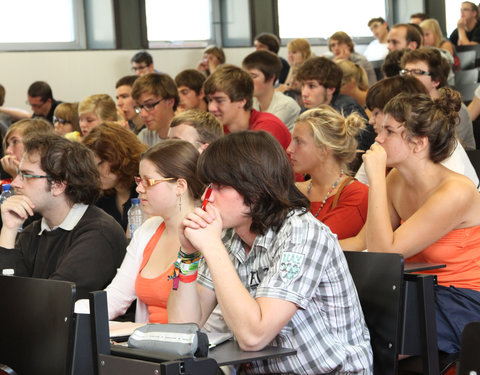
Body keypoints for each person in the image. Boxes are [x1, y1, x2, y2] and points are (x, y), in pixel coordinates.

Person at [167, 130, 372, 374]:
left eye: (219, 186)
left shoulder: (302, 233)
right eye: (207, 186)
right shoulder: (228, 235)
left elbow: (254, 336)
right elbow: (182, 329)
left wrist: (212, 247)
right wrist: (188, 255)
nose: (206, 197)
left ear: (255, 189)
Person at [341, 88, 480, 355]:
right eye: (380, 129)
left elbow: (384, 252)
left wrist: (377, 179)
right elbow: (362, 241)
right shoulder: (397, 180)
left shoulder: (455, 191)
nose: (377, 139)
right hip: (416, 291)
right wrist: (316, 248)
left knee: (372, 338)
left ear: (419, 142)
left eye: (389, 132)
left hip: (464, 299)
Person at [0, 133, 127, 300]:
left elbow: (52, 303)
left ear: (58, 185)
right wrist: (8, 230)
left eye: (27, 175)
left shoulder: (98, 233)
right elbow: (9, 297)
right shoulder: (33, 231)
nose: (16, 183)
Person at [103, 140, 203, 322]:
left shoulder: (208, 235)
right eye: (139, 180)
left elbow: (208, 322)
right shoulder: (147, 230)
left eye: (148, 181)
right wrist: (69, 314)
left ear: (180, 186)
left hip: (193, 346)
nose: (139, 189)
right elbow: (115, 297)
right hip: (146, 346)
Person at [355, 75, 479, 188]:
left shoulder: (450, 175)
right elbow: (360, 188)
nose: (371, 121)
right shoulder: (391, 146)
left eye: (376, 113)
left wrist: (376, 179)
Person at [287, 106, 368, 239]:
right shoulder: (292, 191)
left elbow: (320, 244)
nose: (289, 149)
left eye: (299, 142)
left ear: (324, 149)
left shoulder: (357, 195)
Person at [296, 56, 376, 156]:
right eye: (303, 85)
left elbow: (355, 156)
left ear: (330, 89)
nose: (304, 93)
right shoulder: (305, 111)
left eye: (311, 86)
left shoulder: (347, 110)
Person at [400, 48, 475, 150]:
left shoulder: (455, 109)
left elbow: (446, 153)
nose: (408, 77)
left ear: (436, 80)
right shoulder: (402, 105)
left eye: (416, 72)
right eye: (406, 72)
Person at [203, 64, 291, 150]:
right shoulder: (221, 128)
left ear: (242, 101)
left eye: (219, 100)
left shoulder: (268, 127)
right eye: (210, 100)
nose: (211, 108)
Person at [82, 122, 148, 232]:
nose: (93, 173)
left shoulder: (145, 188)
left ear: (119, 157)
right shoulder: (101, 196)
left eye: (99, 164)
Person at [243, 50, 300, 132]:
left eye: (253, 76)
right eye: (246, 76)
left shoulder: (286, 105)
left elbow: (260, 138)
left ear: (271, 78)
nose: (247, 81)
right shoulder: (251, 102)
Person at [131, 73, 178, 147]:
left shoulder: (186, 136)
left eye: (149, 105)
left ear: (170, 102)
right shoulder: (144, 136)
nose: (143, 114)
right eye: (140, 107)